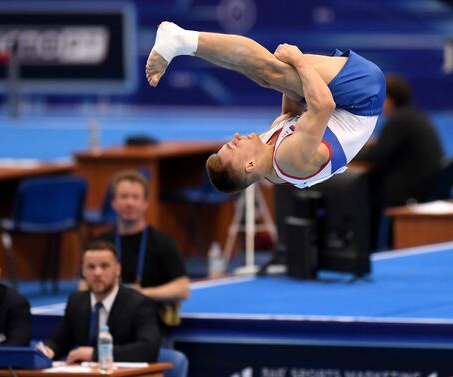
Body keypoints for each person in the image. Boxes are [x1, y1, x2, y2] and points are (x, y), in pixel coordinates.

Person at [146, 21, 386, 192]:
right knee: (272, 71)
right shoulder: (289, 160)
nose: (236, 136)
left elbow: (291, 113)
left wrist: (278, 78)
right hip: (363, 98)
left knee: (265, 76)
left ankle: (184, 45)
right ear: (249, 165)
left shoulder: (269, 152)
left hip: (341, 105)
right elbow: (323, 105)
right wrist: (298, 61)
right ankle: (181, 40)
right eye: (233, 145)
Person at [91, 169, 190, 325]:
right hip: (108, 322)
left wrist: (143, 293)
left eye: (135, 197)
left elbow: (182, 289)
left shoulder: (162, 242)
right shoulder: (100, 245)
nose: (129, 203)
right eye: (124, 197)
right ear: (113, 203)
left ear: (145, 203)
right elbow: (84, 287)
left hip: (150, 322)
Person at [41, 240, 161, 363]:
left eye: (104, 266)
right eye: (91, 267)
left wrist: (96, 354)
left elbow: (149, 349)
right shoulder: (76, 301)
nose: (97, 273)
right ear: (83, 271)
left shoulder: (139, 304)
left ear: (118, 269)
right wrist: (49, 350)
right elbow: (59, 340)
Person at [355, 74, 444, 207]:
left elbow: (376, 156)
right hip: (425, 188)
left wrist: (347, 154)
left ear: (389, 99)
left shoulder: (399, 121)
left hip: (408, 193)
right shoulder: (414, 115)